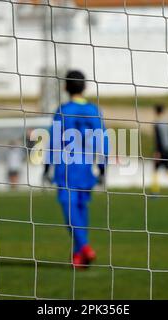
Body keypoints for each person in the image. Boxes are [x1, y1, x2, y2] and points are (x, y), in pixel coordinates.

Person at [43, 70, 108, 268]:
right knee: (80, 209)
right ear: (85, 87)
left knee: (70, 212)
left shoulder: (63, 110)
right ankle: (79, 256)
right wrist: (103, 168)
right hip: (86, 169)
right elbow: (102, 140)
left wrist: (47, 167)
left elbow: (53, 141)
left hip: (66, 169)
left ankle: (85, 247)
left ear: (65, 87)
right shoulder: (94, 110)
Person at [151, 104, 168, 193]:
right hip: (167, 149)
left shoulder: (156, 123)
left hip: (160, 150)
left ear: (156, 112)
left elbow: (158, 138)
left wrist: (157, 151)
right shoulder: (167, 123)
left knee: (155, 170)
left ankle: (155, 192)